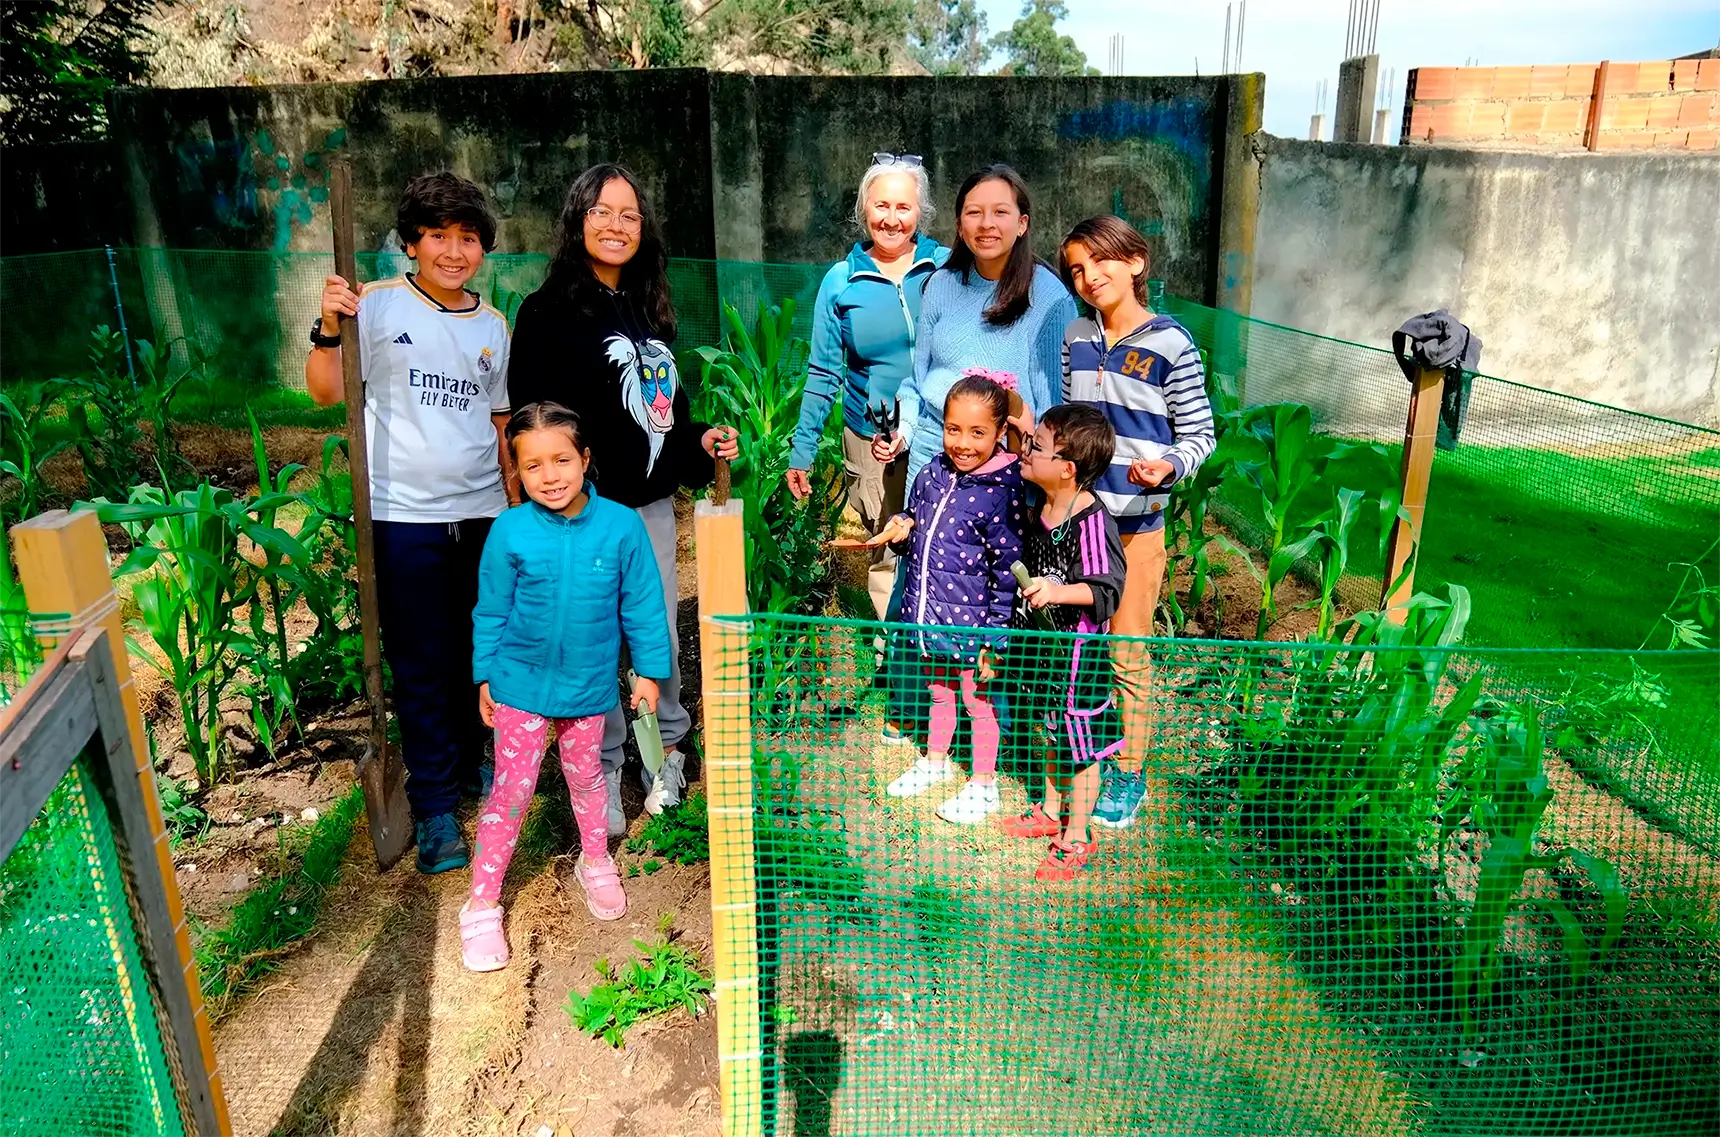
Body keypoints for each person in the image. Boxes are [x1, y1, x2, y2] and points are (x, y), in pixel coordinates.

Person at [508, 163, 739, 833]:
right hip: (582, 514)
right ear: (578, 221)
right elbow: (532, 420)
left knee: (656, 633)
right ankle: (601, 769)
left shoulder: (647, 308)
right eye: (602, 212)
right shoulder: (547, 312)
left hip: (650, 510)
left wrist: (701, 440)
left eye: (629, 215)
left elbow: (667, 413)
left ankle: (665, 749)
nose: (616, 225)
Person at [306, 171, 516, 876]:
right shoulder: (376, 306)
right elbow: (326, 390)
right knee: (423, 662)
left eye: (468, 239)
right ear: (411, 244)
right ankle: (431, 807)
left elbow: (498, 423)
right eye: (438, 237)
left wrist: (516, 513)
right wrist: (328, 325)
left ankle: (466, 765)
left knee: (474, 652)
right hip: (403, 519)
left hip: (482, 513)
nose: (454, 252)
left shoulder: (492, 326)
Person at [461, 402, 671, 971]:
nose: (549, 476)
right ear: (517, 473)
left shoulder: (622, 526)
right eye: (532, 466)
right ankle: (482, 903)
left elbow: (644, 607)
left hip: (587, 690)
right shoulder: (509, 531)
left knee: (588, 781)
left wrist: (650, 674)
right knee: (511, 792)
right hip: (519, 689)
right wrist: (485, 674)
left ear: (585, 458)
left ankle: (595, 860)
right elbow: (491, 610)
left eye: (561, 460)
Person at [1058, 215, 1215, 829]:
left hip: (1136, 528)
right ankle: (1079, 749)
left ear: (1136, 264)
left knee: (1127, 652)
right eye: (1076, 269)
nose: (1089, 276)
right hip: (1080, 524)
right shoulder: (1075, 335)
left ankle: (1132, 774)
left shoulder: (1171, 343)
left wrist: (1169, 466)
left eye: (1100, 262)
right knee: (1078, 647)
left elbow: (1200, 433)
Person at [786, 153, 949, 624]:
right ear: (864, 210)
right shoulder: (842, 281)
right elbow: (823, 371)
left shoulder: (946, 269)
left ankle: (940, 635)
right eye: (881, 206)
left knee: (946, 531)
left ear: (920, 212)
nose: (891, 219)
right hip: (872, 438)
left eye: (903, 207)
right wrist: (803, 450)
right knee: (887, 541)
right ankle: (890, 647)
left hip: (944, 430)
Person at [868, 375, 1025, 824]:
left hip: (974, 628)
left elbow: (1007, 572)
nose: (963, 442)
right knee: (938, 692)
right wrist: (901, 527)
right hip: (930, 612)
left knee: (979, 703)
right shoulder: (932, 472)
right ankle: (936, 761)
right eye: (953, 428)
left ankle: (983, 784)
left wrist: (995, 640)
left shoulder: (1003, 491)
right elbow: (916, 523)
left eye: (978, 433)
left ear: (999, 433)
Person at [873, 164, 1077, 483]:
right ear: (959, 223)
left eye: (1000, 212)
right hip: (933, 458)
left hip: (1006, 468)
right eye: (974, 213)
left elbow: (1054, 409)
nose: (986, 224)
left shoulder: (1051, 299)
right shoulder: (940, 284)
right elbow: (918, 381)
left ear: (1022, 223)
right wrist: (902, 434)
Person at [998, 405, 1127, 881]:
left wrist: (1056, 590)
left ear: (1068, 469)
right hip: (1044, 649)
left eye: (1037, 446)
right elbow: (1022, 465)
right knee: (1051, 730)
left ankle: (1078, 835)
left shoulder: (1091, 520)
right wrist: (1019, 433)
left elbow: (1107, 588)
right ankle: (1051, 810)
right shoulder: (1044, 501)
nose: (1027, 451)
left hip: (1078, 655)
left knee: (1081, 745)